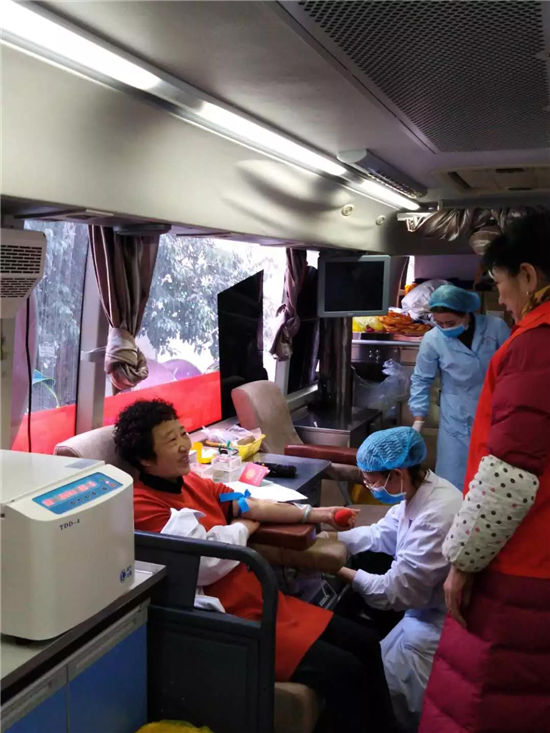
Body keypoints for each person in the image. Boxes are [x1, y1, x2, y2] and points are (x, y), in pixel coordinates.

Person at [114, 399, 399, 733]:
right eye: (170, 440)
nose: (183, 445)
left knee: (365, 641)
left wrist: (316, 514)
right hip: (228, 618)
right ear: (145, 459)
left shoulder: (194, 483)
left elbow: (247, 504)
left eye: (182, 434)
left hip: (260, 600)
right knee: (345, 671)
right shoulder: (143, 506)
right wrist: (242, 529)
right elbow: (205, 561)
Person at [419, 212, 550, 733]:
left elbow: (510, 477)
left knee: (483, 700)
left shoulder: (535, 345)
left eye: (501, 285)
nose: (503, 300)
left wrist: (462, 562)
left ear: (528, 276)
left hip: (523, 562)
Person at [336, 427, 462, 732]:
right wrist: (326, 538)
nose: (369, 487)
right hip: (419, 618)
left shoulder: (436, 517)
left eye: (372, 480)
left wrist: (335, 568)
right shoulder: (420, 491)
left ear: (396, 474)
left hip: (434, 631)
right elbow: (379, 534)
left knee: (382, 702)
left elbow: (395, 592)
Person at [409, 283, 510, 490]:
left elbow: (513, 367)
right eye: (439, 323)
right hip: (455, 418)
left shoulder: (496, 328)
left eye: (451, 323)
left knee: (492, 479)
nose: (445, 328)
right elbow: (421, 379)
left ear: (466, 314)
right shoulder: (432, 339)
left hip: (495, 411)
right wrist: (418, 418)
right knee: (452, 481)